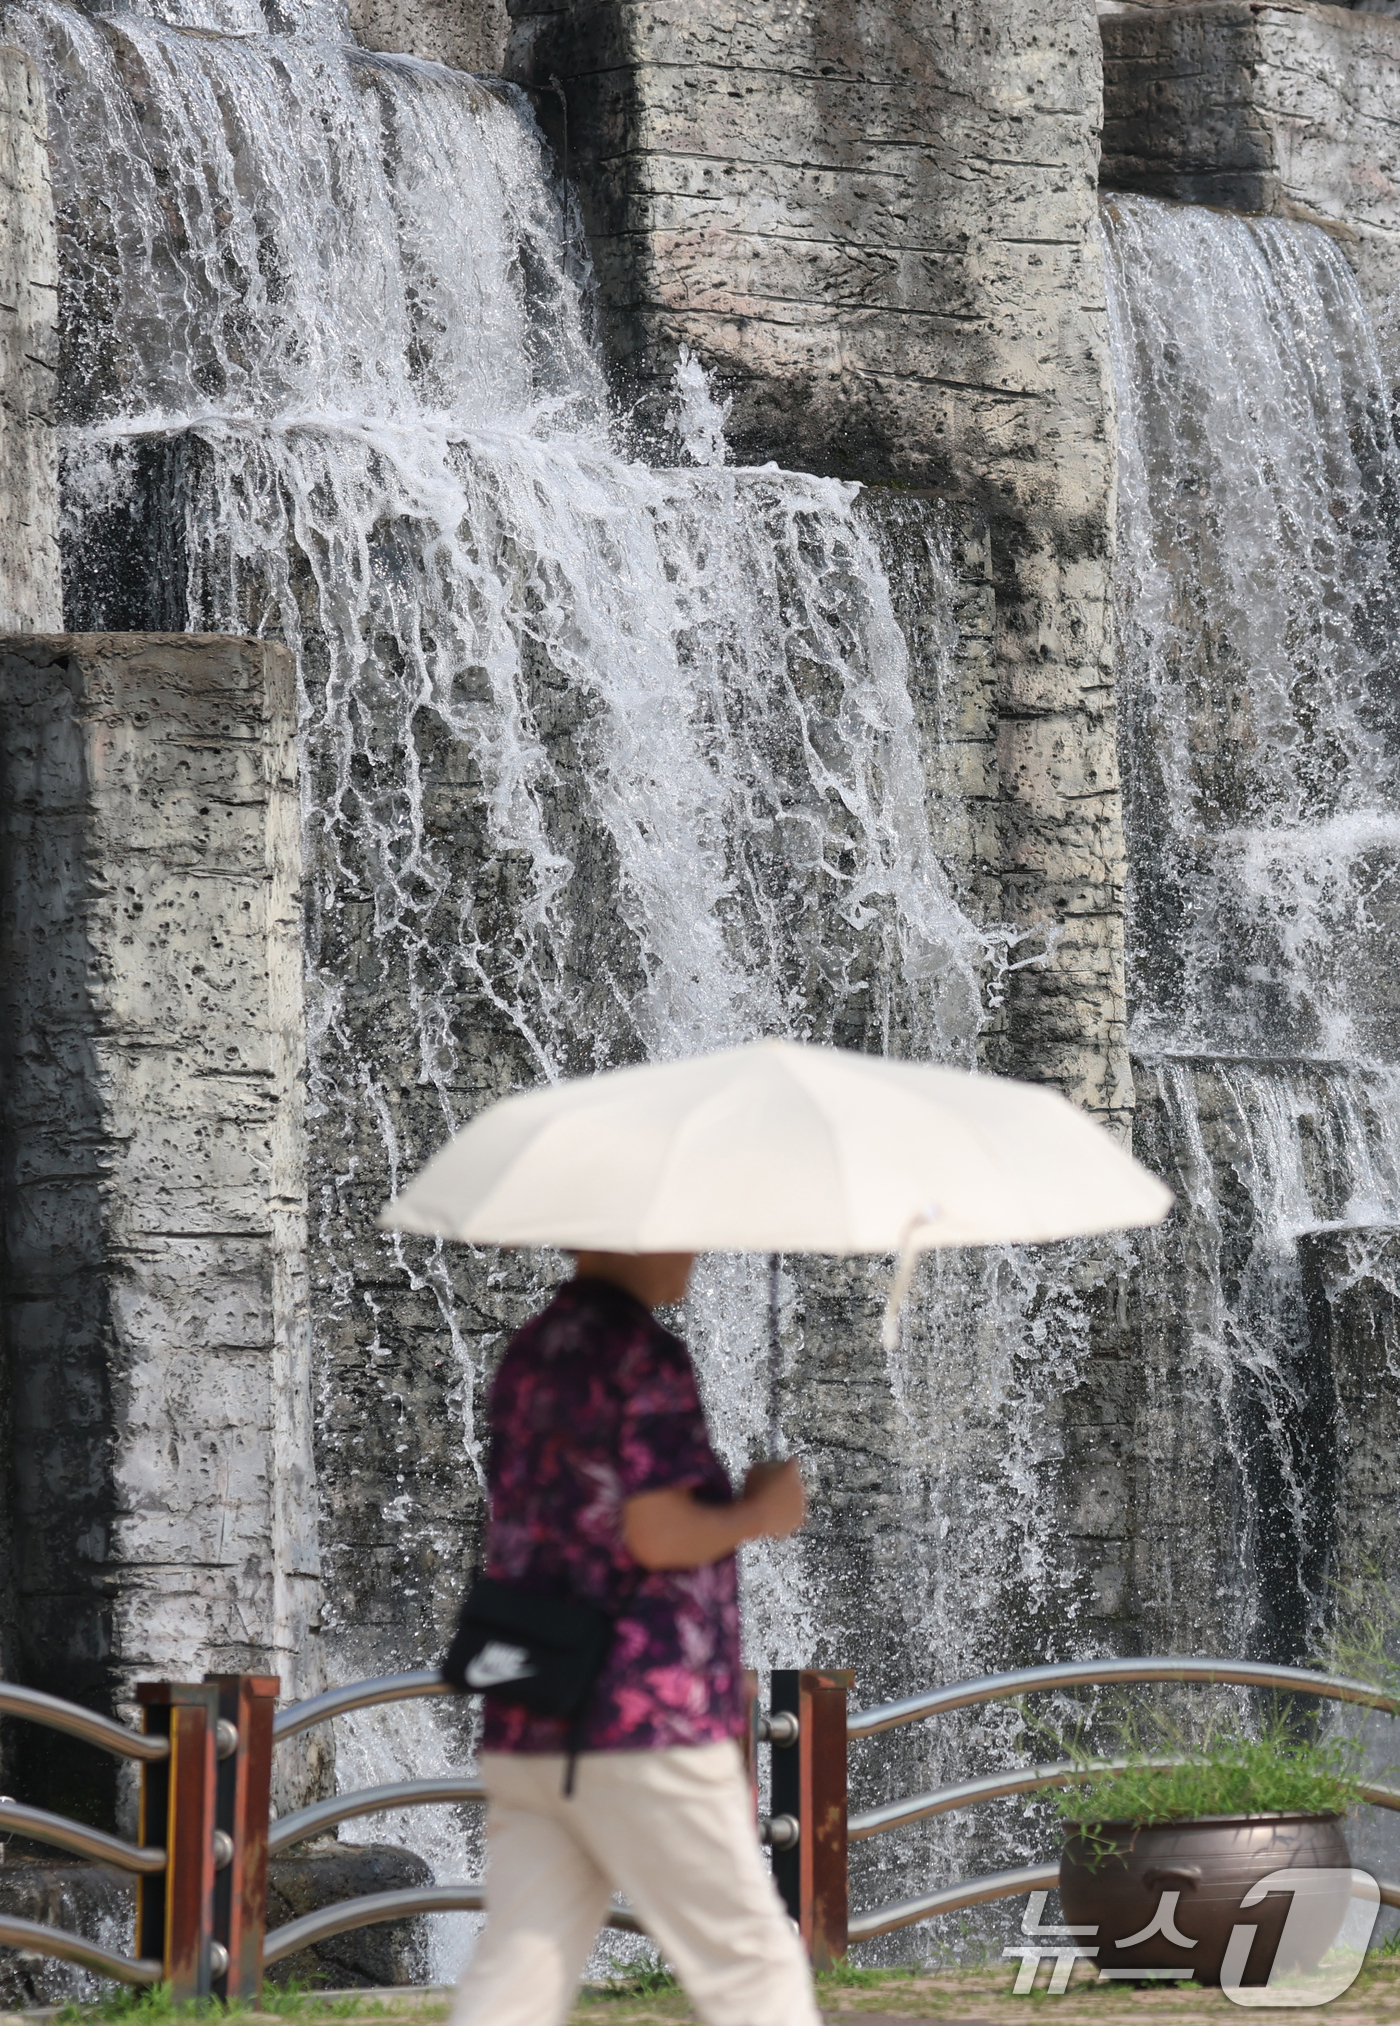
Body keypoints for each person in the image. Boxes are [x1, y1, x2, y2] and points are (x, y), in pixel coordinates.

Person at [450, 1249, 819, 2026]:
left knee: (520, 1966)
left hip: (534, 1709)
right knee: (752, 1963)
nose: (693, 1249)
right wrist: (761, 1512)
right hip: (641, 1724)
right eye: (677, 1230)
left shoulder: (534, 1350)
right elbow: (653, 1533)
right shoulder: (641, 1355)